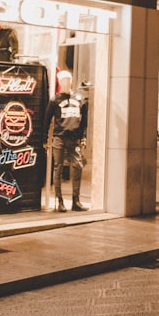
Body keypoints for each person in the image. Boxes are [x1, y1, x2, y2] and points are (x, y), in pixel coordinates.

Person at [46, 70, 88, 212]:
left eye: (68, 80)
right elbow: (47, 120)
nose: (66, 82)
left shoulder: (80, 99)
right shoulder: (54, 100)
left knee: (78, 166)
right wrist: (45, 138)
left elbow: (84, 122)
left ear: (71, 81)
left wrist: (83, 137)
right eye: (63, 80)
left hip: (74, 138)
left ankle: (76, 200)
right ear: (59, 82)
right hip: (59, 137)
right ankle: (60, 201)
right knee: (58, 168)